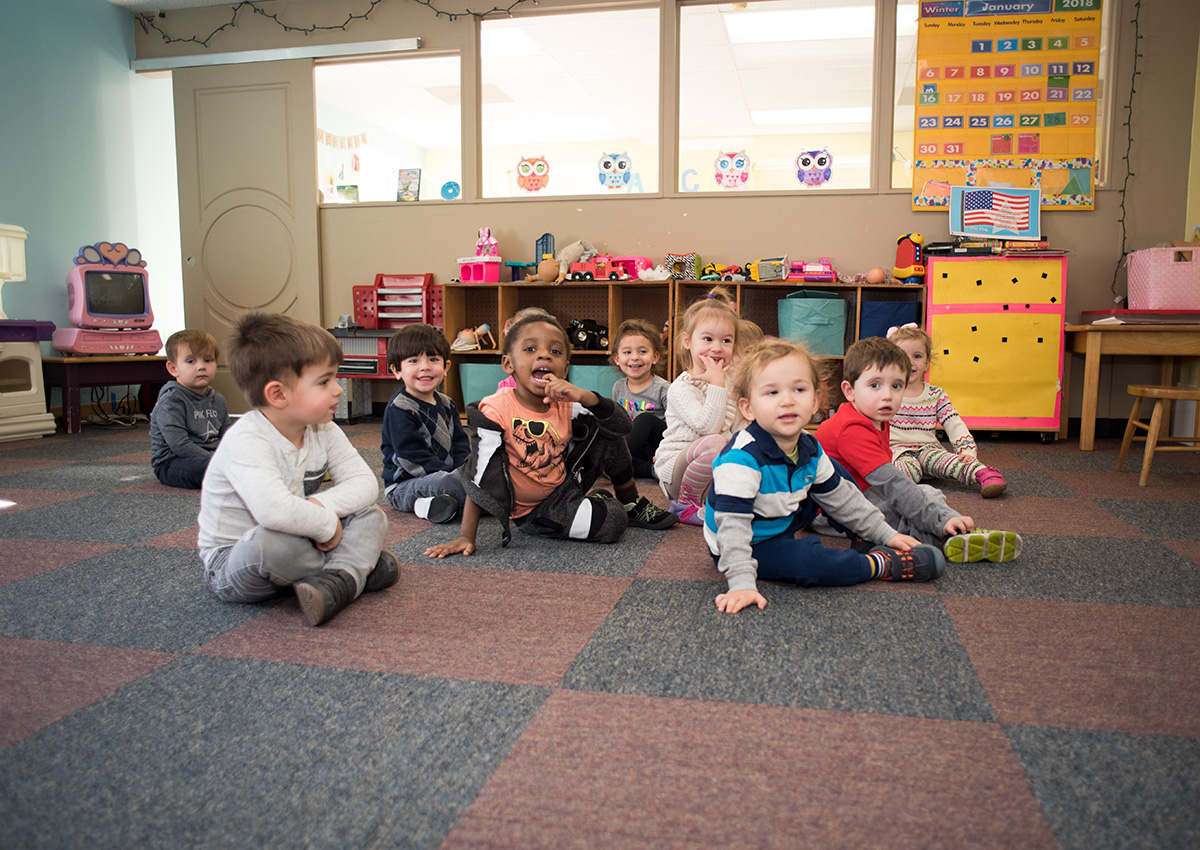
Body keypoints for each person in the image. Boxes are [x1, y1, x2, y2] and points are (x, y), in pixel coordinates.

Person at [707, 340, 946, 614]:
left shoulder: (809, 446)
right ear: (748, 408)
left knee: (832, 473)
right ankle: (879, 563)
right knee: (806, 561)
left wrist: (886, 534)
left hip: (782, 515)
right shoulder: (741, 460)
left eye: (799, 389)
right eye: (772, 392)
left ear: (815, 402)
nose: (787, 400)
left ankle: (864, 537)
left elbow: (843, 499)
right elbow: (732, 526)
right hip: (747, 541)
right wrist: (740, 583)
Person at [425, 310, 677, 559]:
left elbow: (622, 427)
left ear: (565, 368)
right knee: (613, 521)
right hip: (535, 511)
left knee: (606, 428)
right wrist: (466, 536)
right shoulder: (495, 410)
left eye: (555, 351)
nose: (544, 354)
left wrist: (585, 396)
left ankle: (630, 502)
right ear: (508, 363)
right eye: (530, 349)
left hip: (566, 484)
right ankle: (598, 503)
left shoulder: (567, 403)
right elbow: (477, 475)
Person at [198, 312, 397, 627]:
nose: (338, 390)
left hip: (302, 532)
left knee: (371, 515)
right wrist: (327, 525)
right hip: (236, 559)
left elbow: (364, 483)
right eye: (324, 382)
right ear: (278, 394)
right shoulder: (247, 439)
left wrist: (320, 506)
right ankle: (352, 570)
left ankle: (338, 580)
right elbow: (274, 512)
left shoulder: (323, 428)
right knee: (271, 544)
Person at [815, 337, 1022, 564]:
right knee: (896, 510)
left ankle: (958, 533)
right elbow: (891, 483)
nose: (887, 395)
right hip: (829, 510)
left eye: (896, 386)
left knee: (927, 493)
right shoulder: (851, 428)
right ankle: (948, 538)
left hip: (860, 492)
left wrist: (938, 515)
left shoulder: (876, 417)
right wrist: (937, 519)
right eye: (875, 385)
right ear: (850, 391)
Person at [654, 286, 742, 525]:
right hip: (678, 472)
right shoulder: (682, 387)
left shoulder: (731, 380)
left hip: (715, 469)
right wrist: (717, 384)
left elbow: (739, 425)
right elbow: (709, 428)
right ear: (687, 341)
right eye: (708, 339)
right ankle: (685, 504)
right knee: (715, 443)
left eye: (726, 340)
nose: (717, 347)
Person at [886, 325, 1008, 498]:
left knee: (950, 461)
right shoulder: (887, 393)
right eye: (902, 357)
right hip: (897, 451)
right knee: (906, 470)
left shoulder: (936, 394)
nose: (910, 362)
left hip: (928, 449)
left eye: (917, 356)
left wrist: (966, 450)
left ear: (927, 363)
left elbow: (954, 423)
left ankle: (983, 474)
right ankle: (902, 483)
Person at [381, 323, 470, 524]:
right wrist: (454, 477)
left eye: (433, 359)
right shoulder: (400, 408)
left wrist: (463, 471)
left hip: (444, 478)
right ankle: (474, 499)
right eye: (414, 361)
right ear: (396, 370)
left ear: (446, 367)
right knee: (457, 485)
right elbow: (412, 457)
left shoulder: (447, 404)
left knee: (474, 478)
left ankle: (432, 505)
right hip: (405, 486)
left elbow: (461, 444)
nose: (425, 367)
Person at [150, 329, 231, 490]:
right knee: (211, 468)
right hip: (174, 462)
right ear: (173, 369)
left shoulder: (218, 399)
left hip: (212, 457)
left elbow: (227, 436)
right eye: (190, 361)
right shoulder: (171, 401)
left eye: (207, 360)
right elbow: (180, 445)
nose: (201, 367)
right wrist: (218, 460)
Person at [610, 318, 670, 480]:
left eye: (642, 351)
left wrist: (665, 453)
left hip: (659, 447)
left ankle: (613, 458)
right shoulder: (618, 387)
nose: (635, 357)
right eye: (627, 352)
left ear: (655, 357)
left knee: (645, 419)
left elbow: (675, 428)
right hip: (635, 450)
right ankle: (652, 471)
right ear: (617, 358)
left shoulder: (664, 389)